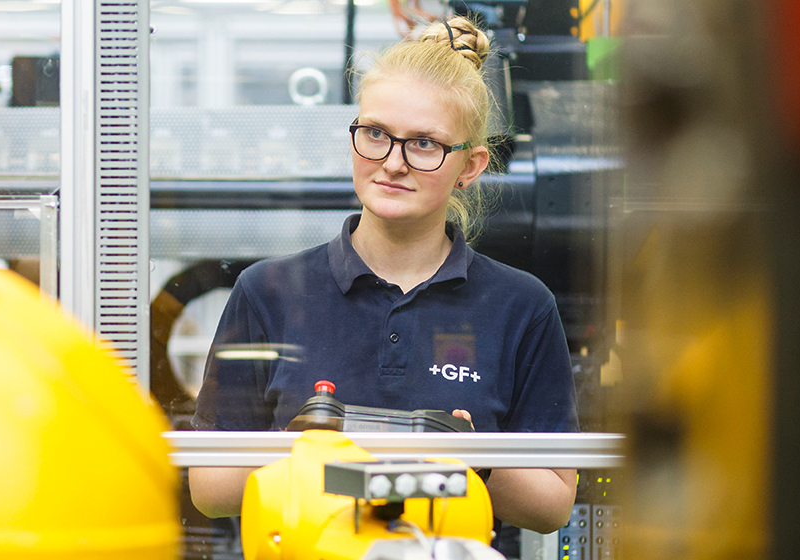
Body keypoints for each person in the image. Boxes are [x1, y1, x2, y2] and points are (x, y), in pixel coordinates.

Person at [188, 17, 579, 535]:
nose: (393, 163)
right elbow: (209, 489)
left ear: (470, 166)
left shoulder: (521, 306)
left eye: (425, 144)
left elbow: (553, 506)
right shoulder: (268, 292)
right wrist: (302, 448)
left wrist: (474, 455)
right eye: (375, 133)